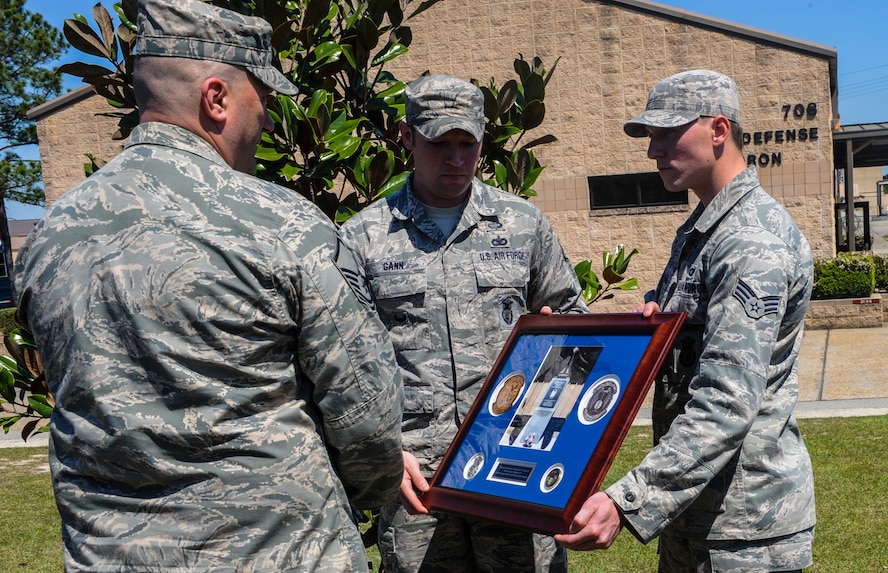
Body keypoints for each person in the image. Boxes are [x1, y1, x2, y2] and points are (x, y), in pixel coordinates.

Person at [14, 0, 404, 571]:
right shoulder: (282, 225)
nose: (268, 120)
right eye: (262, 99)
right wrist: (369, 491)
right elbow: (367, 419)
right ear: (216, 98)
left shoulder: (51, 235)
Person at [555, 69, 816, 572]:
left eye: (668, 133)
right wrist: (649, 335)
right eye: (651, 137)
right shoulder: (702, 231)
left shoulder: (748, 243)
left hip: (744, 531)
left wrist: (626, 500)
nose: (654, 150)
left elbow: (726, 401)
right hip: (697, 516)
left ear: (719, 130)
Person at [340, 74, 589, 573]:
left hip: (514, 466)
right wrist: (383, 454)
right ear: (408, 137)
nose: (455, 158)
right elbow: (344, 364)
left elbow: (575, 328)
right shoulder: (364, 237)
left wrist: (548, 425)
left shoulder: (523, 224)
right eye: (439, 143)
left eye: (466, 143)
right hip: (417, 476)